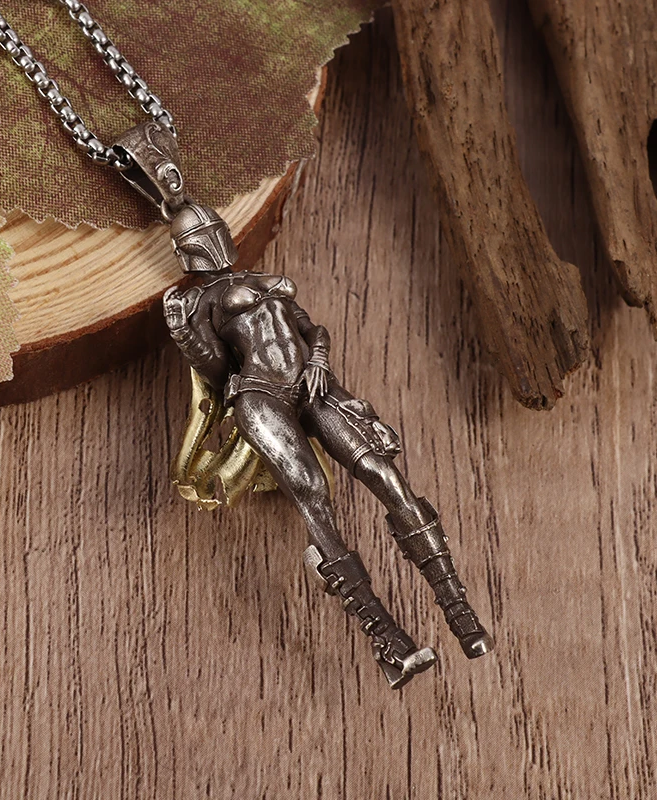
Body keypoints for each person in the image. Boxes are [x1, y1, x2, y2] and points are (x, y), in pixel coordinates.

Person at [164, 204, 493, 688]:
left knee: (385, 474)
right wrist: (182, 333)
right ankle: (388, 640)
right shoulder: (198, 301)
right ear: (188, 251)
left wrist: (318, 359)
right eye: (203, 237)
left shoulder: (257, 278)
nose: (214, 241)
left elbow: (311, 328)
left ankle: (460, 612)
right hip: (260, 395)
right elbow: (216, 370)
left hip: (312, 384)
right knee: (314, 495)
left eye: (215, 230)